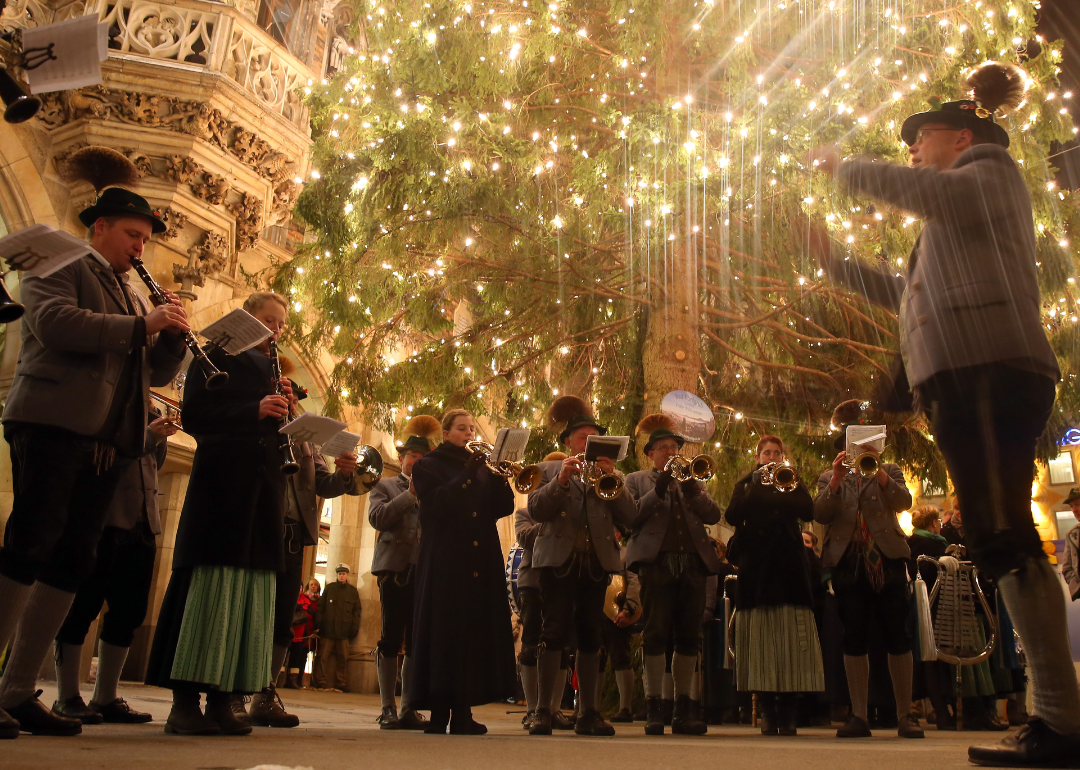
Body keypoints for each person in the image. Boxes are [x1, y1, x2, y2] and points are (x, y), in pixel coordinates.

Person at [811, 61, 1080, 765]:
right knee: (1003, 539)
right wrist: (837, 264)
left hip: (985, 373)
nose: (911, 151)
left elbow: (926, 192)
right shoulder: (961, 206)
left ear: (960, 138)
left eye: (919, 138)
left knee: (1006, 541)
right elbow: (908, 291)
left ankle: (1060, 720)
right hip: (967, 378)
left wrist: (848, 170)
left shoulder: (988, 175)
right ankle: (1058, 717)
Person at [0, 179, 188, 738]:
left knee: (74, 561)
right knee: (29, 544)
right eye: (132, 235)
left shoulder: (132, 289)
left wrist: (171, 338)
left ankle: (17, 687)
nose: (140, 248)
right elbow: (52, 323)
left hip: (111, 441)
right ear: (99, 226)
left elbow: (149, 372)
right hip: (54, 421)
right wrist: (141, 326)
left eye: (145, 240)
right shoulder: (61, 261)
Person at [144, 291, 294, 736]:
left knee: (249, 594)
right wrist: (256, 408)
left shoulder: (271, 369)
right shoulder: (215, 354)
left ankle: (224, 701)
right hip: (224, 490)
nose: (276, 330)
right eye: (269, 320)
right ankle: (185, 703)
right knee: (210, 589)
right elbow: (195, 416)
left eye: (282, 324)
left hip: (262, 491)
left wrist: (283, 405)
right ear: (247, 317)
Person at [245, 363, 359, 728]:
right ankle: (232, 693)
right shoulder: (259, 424)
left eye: (291, 392)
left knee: (280, 617)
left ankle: (265, 693)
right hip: (261, 526)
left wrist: (343, 473)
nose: (288, 396)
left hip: (295, 535)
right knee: (251, 612)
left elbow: (322, 483)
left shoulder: (308, 435)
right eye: (282, 389)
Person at [52, 408, 178, 726]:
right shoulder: (107, 399)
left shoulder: (151, 407)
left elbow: (154, 464)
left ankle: (105, 696)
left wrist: (157, 438)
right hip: (103, 519)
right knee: (82, 606)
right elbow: (99, 452)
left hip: (142, 523)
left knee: (129, 613)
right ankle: (66, 696)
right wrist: (150, 434)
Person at [527, 396, 636, 737]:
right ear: (568, 442)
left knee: (592, 635)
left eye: (594, 438)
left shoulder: (612, 475)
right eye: (582, 438)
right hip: (557, 562)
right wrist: (561, 481)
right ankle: (543, 710)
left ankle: (588, 712)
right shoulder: (547, 470)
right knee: (554, 631)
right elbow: (536, 511)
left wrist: (611, 480)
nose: (588, 443)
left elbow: (631, 517)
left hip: (595, 565)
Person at [813, 399, 920, 739]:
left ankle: (905, 715)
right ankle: (859, 715)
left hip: (886, 558)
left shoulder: (890, 469)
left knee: (897, 634)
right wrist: (835, 482)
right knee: (853, 636)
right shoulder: (829, 476)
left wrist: (881, 473)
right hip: (848, 561)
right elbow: (820, 515)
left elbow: (904, 503)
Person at [408, 409, 516, 734]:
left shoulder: (484, 468)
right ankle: (439, 713)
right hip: (445, 560)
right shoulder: (428, 465)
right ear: (446, 434)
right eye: (461, 429)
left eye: (471, 429)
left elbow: (504, 508)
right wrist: (469, 472)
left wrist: (500, 478)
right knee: (444, 633)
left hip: (479, 559)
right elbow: (438, 503)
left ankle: (463, 713)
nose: (469, 434)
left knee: (471, 634)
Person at [624, 413, 723, 737]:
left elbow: (713, 514)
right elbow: (631, 517)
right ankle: (655, 707)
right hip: (656, 565)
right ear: (650, 454)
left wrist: (692, 489)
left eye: (674, 447)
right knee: (654, 634)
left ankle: (684, 708)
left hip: (693, 565)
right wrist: (661, 486)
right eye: (663, 447)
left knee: (688, 637)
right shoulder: (637, 480)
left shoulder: (691, 480)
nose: (670, 452)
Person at [724, 435, 824, 736]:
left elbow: (808, 511)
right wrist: (758, 485)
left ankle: (789, 711)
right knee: (761, 642)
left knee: (792, 640)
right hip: (757, 570)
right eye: (766, 453)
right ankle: (767, 710)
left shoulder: (793, 479)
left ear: (783, 456)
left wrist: (781, 489)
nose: (771, 457)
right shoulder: (745, 483)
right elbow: (732, 515)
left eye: (777, 453)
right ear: (757, 457)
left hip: (790, 568)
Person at [368, 414, 440, 730]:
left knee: (415, 641)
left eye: (423, 458)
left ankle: (409, 705)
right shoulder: (384, 485)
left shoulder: (435, 492)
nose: (417, 461)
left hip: (423, 571)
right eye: (412, 456)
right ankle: (387, 707)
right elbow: (378, 518)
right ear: (401, 458)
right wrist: (409, 494)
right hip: (393, 569)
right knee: (390, 638)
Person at [514, 451, 575, 732]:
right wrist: (551, 523)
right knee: (530, 642)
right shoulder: (525, 511)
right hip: (532, 579)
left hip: (561, 576)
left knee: (560, 644)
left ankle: (552, 708)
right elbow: (525, 537)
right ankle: (531, 707)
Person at [908, 505, 956, 731]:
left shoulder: (914, 542)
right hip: (933, 607)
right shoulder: (930, 544)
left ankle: (928, 708)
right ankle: (941, 709)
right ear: (933, 523)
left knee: (927, 658)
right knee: (934, 658)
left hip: (923, 606)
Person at [315, 564, 362, 692]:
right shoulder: (329, 589)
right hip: (328, 630)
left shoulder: (352, 592)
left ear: (347, 575)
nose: (342, 576)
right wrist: (318, 622)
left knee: (343, 658)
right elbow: (321, 607)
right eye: (340, 574)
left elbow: (356, 611)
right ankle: (321, 680)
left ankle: (341, 682)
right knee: (323, 657)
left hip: (344, 631)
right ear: (337, 575)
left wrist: (354, 627)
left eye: (344, 574)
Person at [285, 579, 321, 689]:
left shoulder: (306, 599)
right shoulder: (287, 597)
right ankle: (278, 680)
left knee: (296, 659)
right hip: (287, 632)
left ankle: (293, 681)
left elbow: (311, 613)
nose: (299, 589)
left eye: (300, 587)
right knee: (283, 657)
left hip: (301, 634)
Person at [1060, 489, 1080, 602]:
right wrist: (1074, 582)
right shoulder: (1072, 534)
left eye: (1078, 504)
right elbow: (1067, 567)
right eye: (1071, 506)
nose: (1074, 510)